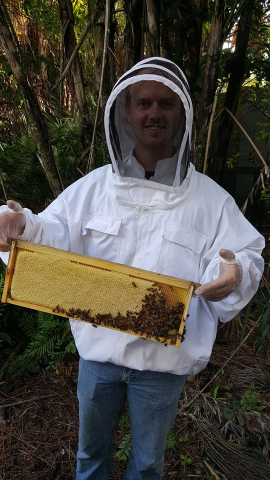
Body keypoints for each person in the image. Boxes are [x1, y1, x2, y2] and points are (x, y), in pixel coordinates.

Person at [0, 57, 265, 480]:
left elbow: (241, 256)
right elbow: (51, 233)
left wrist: (232, 272)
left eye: (165, 104)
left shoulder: (211, 201)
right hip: (98, 357)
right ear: (126, 112)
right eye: (143, 103)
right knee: (89, 461)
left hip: (162, 366)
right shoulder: (92, 190)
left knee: (145, 466)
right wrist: (20, 224)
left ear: (181, 114)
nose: (153, 113)